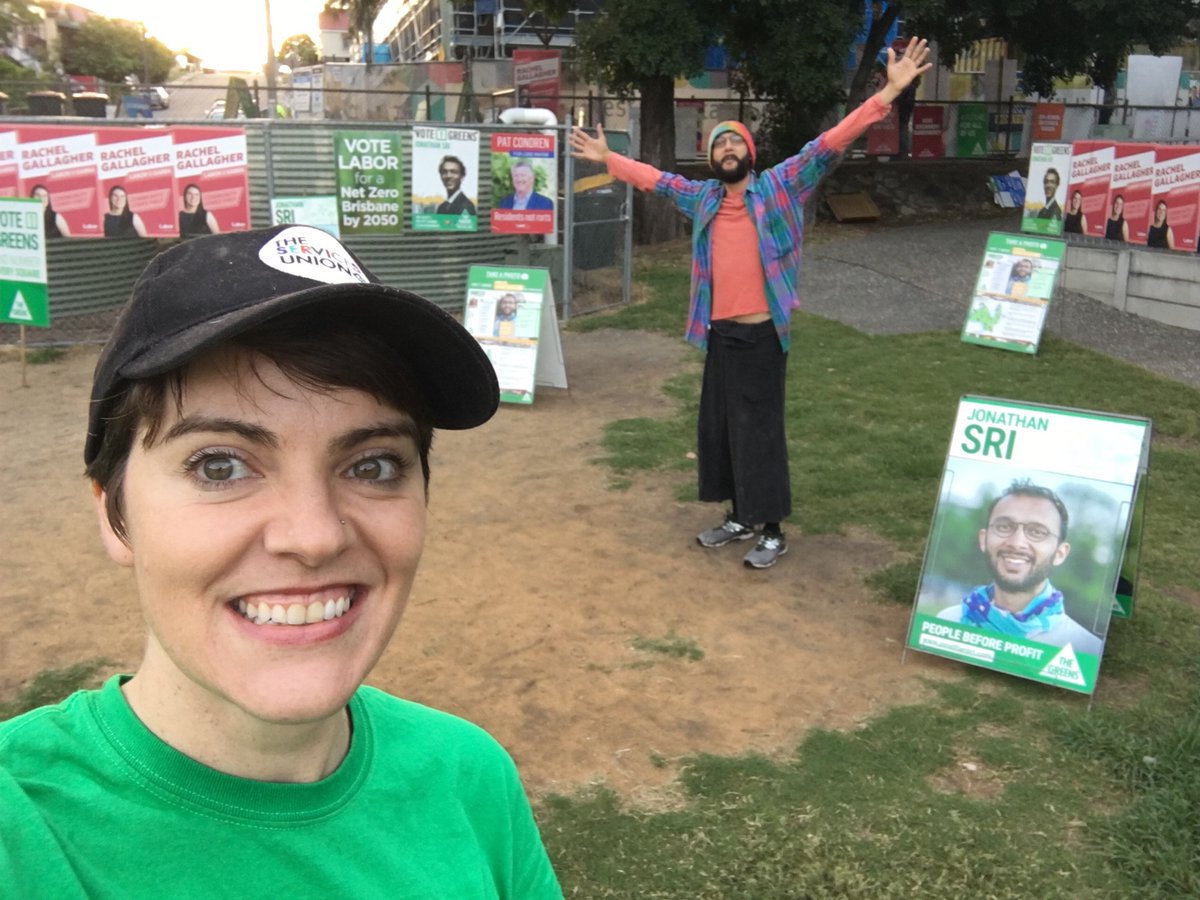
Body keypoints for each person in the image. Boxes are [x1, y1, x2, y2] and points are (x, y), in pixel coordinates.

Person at [0, 225, 563, 899]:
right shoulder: (23, 825)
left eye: (374, 464)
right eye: (220, 465)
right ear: (114, 514)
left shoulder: (471, 779)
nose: (316, 535)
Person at [569, 36, 932, 569]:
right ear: (712, 159)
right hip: (721, 335)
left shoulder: (781, 187)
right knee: (719, 428)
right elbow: (659, 181)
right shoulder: (706, 198)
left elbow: (829, 143)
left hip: (762, 336)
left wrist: (888, 95)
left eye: (733, 143)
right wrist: (609, 159)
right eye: (717, 146)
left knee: (759, 430)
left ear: (749, 153)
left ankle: (772, 528)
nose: (726, 151)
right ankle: (739, 516)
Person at [938, 480, 1102, 654]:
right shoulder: (948, 622)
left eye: (1037, 532)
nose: (1017, 543)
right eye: (1004, 527)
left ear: (1060, 553)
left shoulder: (1085, 649)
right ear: (983, 540)